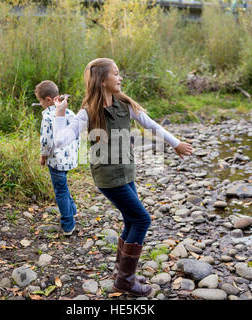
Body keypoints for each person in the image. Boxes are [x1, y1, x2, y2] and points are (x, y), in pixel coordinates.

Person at [53, 58, 193, 296]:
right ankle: (125, 280)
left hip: (127, 172)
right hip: (108, 176)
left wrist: (176, 143)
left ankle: (122, 273)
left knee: (131, 220)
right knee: (142, 220)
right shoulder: (88, 113)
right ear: (102, 80)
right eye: (115, 74)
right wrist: (59, 114)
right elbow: (60, 141)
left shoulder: (124, 103)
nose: (119, 78)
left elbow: (151, 125)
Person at [35, 80, 80, 235]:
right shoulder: (70, 112)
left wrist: (43, 156)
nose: (40, 104)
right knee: (64, 185)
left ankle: (67, 225)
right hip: (69, 159)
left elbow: (46, 141)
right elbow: (76, 135)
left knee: (60, 190)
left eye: (40, 100)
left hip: (56, 160)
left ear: (48, 99)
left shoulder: (48, 116)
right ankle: (72, 211)